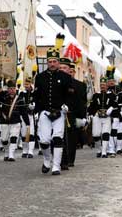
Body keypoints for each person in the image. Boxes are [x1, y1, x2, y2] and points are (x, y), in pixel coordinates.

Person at [33, 47, 72, 175]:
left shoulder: (65, 77)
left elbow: (70, 94)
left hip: (59, 112)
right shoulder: (40, 77)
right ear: (47, 62)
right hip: (45, 112)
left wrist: (67, 105)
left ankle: (56, 166)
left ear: (58, 62)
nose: (52, 64)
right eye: (50, 61)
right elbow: (37, 95)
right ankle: (47, 160)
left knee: (57, 138)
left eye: (55, 61)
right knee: (44, 140)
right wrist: (35, 107)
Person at [0, 79, 29, 162]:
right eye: (10, 88)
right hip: (5, 121)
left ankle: (11, 155)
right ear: (7, 89)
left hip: (15, 121)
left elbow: (24, 113)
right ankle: (6, 152)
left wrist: (27, 124)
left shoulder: (19, 99)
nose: (12, 90)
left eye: (13, 88)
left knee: (13, 138)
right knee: (4, 140)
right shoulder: (3, 97)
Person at [20, 77, 36, 159]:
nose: (26, 86)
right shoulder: (22, 94)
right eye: (25, 84)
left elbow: (37, 102)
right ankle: (25, 151)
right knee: (23, 134)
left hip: (31, 116)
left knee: (31, 134)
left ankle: (30, 151)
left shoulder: (34, 93)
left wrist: (34, 106)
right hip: (23, 116)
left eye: (28, 84)